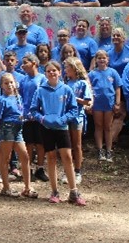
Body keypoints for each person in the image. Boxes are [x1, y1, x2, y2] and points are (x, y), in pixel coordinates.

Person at [29, 61, 86, 206]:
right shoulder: (40, 90)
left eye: (54, 70)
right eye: (48, 71)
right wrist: (42, 119)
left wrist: (63, 119)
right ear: (45, 73)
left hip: (62, 128)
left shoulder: (66, 89)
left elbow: (73, 109)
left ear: (59, 72)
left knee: (67, 156)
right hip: (46, 128)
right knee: (51, 157)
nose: (52, 73)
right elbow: (34, 109)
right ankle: (54, 191)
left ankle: (74, 192)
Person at [0, 73, 36, 198]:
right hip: (6, 128)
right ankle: (6, 187)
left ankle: (27, 187)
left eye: (11, 82)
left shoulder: (18, 97)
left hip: (18, 129)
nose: (9, 85)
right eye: (6, 83)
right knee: (5, 158)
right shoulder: (2, 100)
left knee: (25, 156)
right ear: (1, 85)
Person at [18, 54, 48, 182]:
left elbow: (44, 96)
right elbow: (20, 97)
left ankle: (40, 168)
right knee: (28, 143)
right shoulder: (24, 80)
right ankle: (28, 168)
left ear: (34, 63)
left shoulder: (42, 79)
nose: (23, 65)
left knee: (40, 143)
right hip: (26, 117)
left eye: (25, 62)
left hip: (39, 116)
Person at [88, 50, 122, 163]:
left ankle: (109, 150)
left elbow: (117, 88)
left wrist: (117, 103)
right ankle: (100, 150)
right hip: (97, 104)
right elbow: (88, 89)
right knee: (98, 126)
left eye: (104, 58)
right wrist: (90, 103)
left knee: (108, 127)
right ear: (96, 60)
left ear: (107, 60)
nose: (102, 60)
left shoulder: (113, 72)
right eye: (99, 58)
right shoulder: (92, 74)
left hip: (109, 104)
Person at [63, 57, 93, 185]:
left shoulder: (82, 83)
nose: (65, 70)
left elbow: (87, 101)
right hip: (65, 117)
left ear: (74, 68)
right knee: (66, 145)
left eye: (67, 67)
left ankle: (77, 171)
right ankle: (67, 170)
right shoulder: (65, 83)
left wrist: (73, 99)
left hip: (77, 117)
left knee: (77, 145)